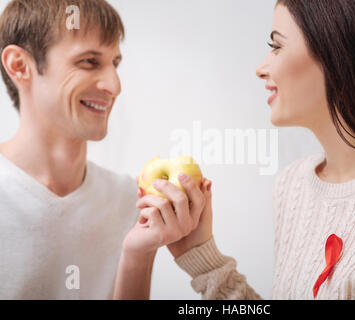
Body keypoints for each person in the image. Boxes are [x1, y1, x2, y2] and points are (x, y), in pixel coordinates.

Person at [140, 0, 355, 299]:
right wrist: (201, 255)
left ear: (338, 51)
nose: (261, 68)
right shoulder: (294, 185)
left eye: (276, 46)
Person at [0, 0, 209, 299]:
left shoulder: (130, 199)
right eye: (89, 61)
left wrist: (139, 254)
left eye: (115, 63)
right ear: (20, 66)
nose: (114, 84)